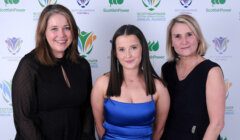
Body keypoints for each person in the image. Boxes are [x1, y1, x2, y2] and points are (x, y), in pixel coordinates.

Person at [12, 4, 95, 140]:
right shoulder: (29, 66)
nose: (61, 35)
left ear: (73, 31)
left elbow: (86, 110)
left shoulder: (82, 65)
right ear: (43, 32)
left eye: (67, 28)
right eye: (54, 29)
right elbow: (23, 119)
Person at [91, 24, 170, 140]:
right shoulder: (102, 84)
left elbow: (159, 130)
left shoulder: (159, 87)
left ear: (142, 48)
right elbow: (99, 125)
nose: (128, 55)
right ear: (115, 53)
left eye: (133, 48)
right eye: (121, 49)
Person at [161, 14, 226, 140]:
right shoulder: (166, 69)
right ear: (171, 42)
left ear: (198, 38)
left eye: (189, 34)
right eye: (177, 36)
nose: (184, 41)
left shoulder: (211, 71)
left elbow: (217, 124)